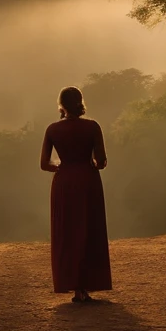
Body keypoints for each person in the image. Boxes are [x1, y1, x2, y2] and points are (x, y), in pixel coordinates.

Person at [40, 86, 112, 302]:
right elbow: (101, 162)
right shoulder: (92, 127)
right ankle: (86, 285)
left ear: (61, 105)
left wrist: (61, 165)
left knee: (67, 232)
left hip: (64, 183)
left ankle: (72, 284)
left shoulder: (52, 129)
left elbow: (45, 164)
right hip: (88, 181)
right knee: (89, 229)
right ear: (81, 103)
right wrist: (90, 162)